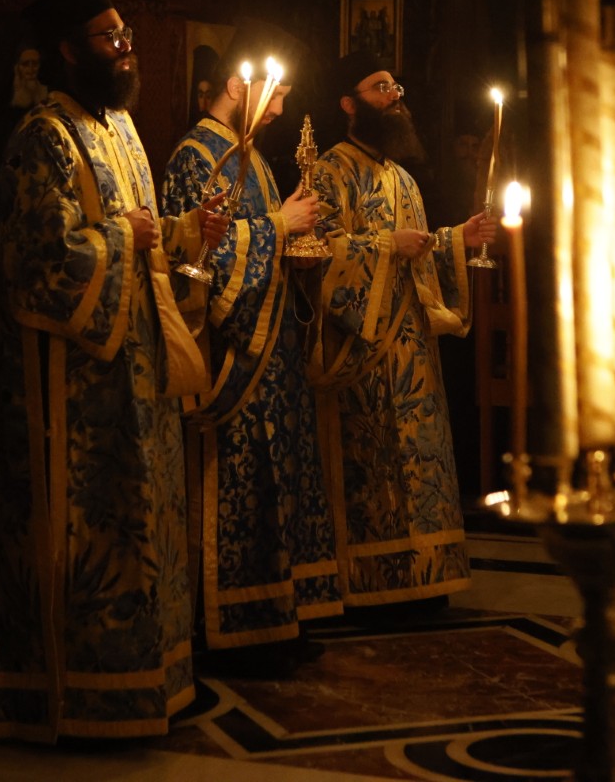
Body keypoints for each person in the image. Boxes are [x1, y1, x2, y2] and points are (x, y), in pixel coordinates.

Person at [0, 0, 228, 742]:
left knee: (143, 527)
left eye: (126, 36)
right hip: (68, 392)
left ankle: (147, 683)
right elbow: (35, 262)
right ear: (68, 51)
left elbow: (144, 237)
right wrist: (124, 237)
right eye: (109, 38)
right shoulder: (41, 138)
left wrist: (186, 231)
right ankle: (77, 694)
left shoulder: (121, 129)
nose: (124, 49)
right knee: (89, 533)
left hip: (132, 376)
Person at [160, 56, 342, 674]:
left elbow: (264, 242)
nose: (279, 110)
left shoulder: (253, 157)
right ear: (238, 85)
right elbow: (199, 258)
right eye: (273, 94)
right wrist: (278, 226)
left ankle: (275, 616)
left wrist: (299, 249)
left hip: (274, 353)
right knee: (237, 486)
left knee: (276, 484)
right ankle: (230, 627)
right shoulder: (195, 157)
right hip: (233, 359)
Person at [306, 53, 496, 613]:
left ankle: (428, 575)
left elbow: (420, 252)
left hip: (414, 351)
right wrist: (388, 246)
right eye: (379, 87)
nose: (394, 96)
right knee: (377, 467)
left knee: (420, 461)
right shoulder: (329, 171)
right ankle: (376, 586)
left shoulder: (403, 178)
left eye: (396, 87)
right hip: (365, 349)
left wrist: (457, 239)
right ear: (349, 103)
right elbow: (318, 253)